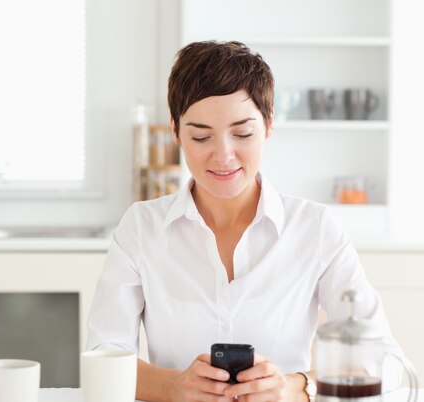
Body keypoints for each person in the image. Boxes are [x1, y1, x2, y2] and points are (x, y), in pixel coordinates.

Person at [86, 41, 401, 402]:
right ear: (175, 131)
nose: (223, 156)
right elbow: (103, 358)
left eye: (243, 133)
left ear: (268, 125)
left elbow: (387, 359)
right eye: (200, 136)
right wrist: (173, 387)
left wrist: (295, 386)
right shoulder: (141, 227)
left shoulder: (314, 227)